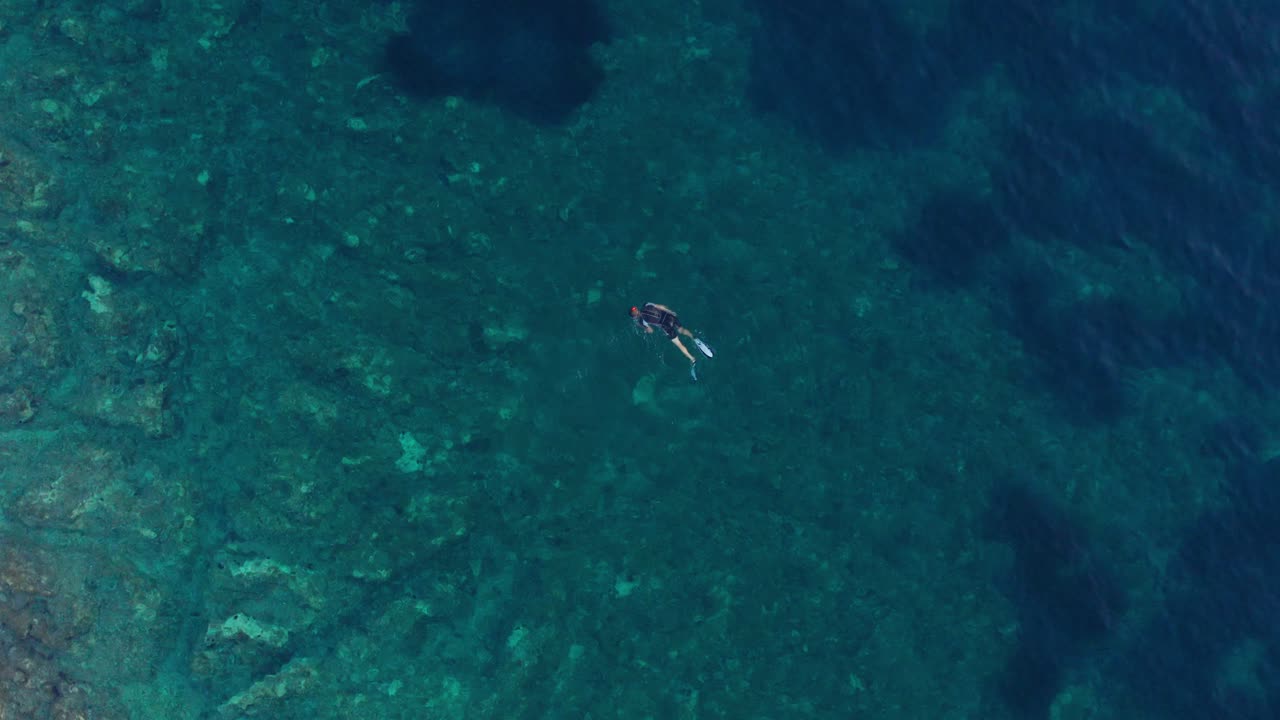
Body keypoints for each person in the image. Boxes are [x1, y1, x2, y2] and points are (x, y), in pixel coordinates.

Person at [630, 302, 699, 367]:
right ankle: (693, 337)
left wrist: (643, 328)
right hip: (670, 316)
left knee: (678, 343)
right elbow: (661, 307)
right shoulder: (646, 304)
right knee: (681, 330)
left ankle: (692, 358)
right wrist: (670, 311)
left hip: (665, 326)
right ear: (637, 309)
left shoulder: (641, 321)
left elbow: (651, 331)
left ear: (634, 317)